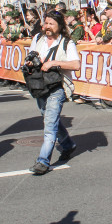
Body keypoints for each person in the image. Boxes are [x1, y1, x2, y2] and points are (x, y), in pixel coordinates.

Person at [27, 11, 80, 175]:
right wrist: (29, 63)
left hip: (58, 87)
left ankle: (43, 161)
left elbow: (76, 65)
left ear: (60, 26)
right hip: (39, 85)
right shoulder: (37, 39)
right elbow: (30, 56)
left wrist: (54, 63)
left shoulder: (67, 43)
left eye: (51, 24)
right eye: (46, 23)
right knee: (50, 118)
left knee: (49, 124)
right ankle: (68, 144)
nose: (47, 27)